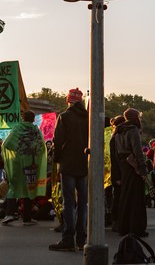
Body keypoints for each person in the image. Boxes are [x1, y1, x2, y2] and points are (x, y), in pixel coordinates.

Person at [50, 87, 89, 252]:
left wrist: (57, 160)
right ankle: (81, 239)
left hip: (68, 164)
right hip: (84, 165)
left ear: (69, 101)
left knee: (69, 203)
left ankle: (68, 239)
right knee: (83, 204)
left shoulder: (64, 117)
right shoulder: (89, 118)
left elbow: (57, 141)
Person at [1, 110, 48, 229]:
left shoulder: (17, 129)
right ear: (33, 119)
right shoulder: (36, 131)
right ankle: (27, 218)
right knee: (29, 189)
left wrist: (19, 150)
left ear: (23, 118)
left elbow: (7, 144)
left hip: (18, 164)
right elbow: (42, 147)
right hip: (32, 165)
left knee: (14, 186)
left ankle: (9, 214)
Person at [113, 108, 148, 238]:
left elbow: (116, 153)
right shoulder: (133, 130)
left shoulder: (118, 132)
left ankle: (124, 226)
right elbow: (137, 151)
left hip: (123, 165)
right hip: (133, 166)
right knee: (137, 199)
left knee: (125, 196)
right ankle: (137, 227)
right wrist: (143, 168)